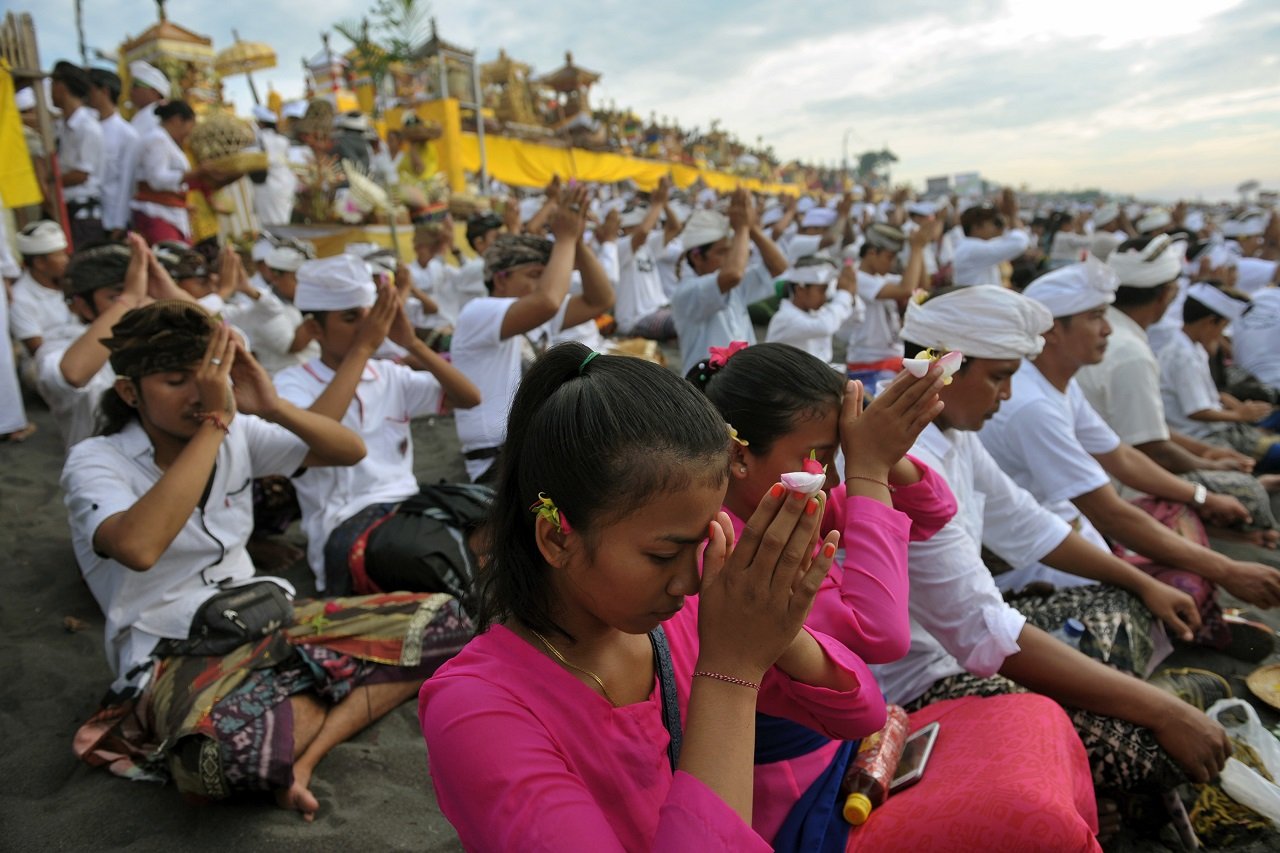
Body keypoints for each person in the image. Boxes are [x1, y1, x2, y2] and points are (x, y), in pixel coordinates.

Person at [421, 342, 897, 850]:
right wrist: (731, 672)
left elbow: (860, 715)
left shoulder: (680, 620)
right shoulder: (476, 710)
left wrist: (779, 630)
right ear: (558, 538)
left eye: (702, 543)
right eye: (662, 555)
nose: (689, 581)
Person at [63, 300, 472, 821]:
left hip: (264, 617)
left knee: (446, 618)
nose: (198, 393)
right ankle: (316, 698)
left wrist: (272, 404)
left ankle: (305, 752)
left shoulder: (239, 433)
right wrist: (214, 422)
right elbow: (140, 548)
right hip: (168, 648)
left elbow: (348, 450)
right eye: (174, 381)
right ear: (129, 392)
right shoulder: (96, 460)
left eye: (208, 376)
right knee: (219, 762)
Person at [698, 342, 1102, 850]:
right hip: (792, 794)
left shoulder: (787, 506)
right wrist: (868, 469)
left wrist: (878, 451)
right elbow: (879, 634)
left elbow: (934, 510)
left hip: (836, 755)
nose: (835, 472)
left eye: (837, 450)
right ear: (738, 456)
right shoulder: (734, 553)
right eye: (820, 455)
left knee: (1035, 729)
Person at [874, 285, 1231, 819]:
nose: (1008, 394)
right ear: (941, 371)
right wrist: (1162, 711)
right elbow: (984, 629)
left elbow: (1026, 522)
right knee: (1153, 753)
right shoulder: (904, 459)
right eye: (998, 377)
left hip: (972, 639)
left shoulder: (953, 433)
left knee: (1132, 606)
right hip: (921, 683)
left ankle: (1110, 750)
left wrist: (1142, 581)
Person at [979, 262, 1280, 649]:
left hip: (1077, 533)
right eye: (1095, 317)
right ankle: (1186, 632)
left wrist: (1201, 497)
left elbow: (1120, 456)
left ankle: (1194, 619)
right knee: (1171, 589)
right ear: (1053, 330)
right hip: (1040, 560)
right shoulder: (1031, 405)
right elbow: (1110, 511)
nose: (1107, 329)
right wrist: (1227, 569)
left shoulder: (1054, 386)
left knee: (1184, 519)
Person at [274, 255, 481, 593]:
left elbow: (469, 397)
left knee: (493, 515)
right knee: (428, 555)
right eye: (351, 318)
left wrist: (412, 342)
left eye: (370, 317)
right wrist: (366, 346)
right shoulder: (293, 383)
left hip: (407, 503)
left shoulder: (387, 374)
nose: (366, 327)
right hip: (347, 522)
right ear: (314, 330)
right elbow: (320, 434)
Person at [1076, 235, 1278, 545]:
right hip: (1118, 490)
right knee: (1247, 495)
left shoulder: (1116, 336)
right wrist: (1208, 469)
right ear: (1166, 294)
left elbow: (1149, 434)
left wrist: (1207, 455)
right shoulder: (1129, 352)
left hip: (1110, 479)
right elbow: (1150, 449)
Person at [451, 185, 613, 483]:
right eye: (535, 276)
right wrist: (564, 238)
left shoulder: (535, 316)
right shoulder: (478, 312)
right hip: (498, 465)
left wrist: (576, 241)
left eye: (545, 275)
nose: (544, 283)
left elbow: (599, 299)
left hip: (533, 449)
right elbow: (548, 300)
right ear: (500, 279)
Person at [1156, 284, 1279, 471]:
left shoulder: (1191, 347)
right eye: (1222, 327)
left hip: (1222, 427)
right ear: (1210, 322)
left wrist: (1235, 406)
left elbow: (1207, 394)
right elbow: (1197, 411)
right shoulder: (1183, 356)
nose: (1221, 335)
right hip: (1204, 436)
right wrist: (1239, 415)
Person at [671, 188, 788, 374]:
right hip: (705, 391)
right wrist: (742, 228)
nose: (729, 258)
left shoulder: (730, 284)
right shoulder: (688, 291)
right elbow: (734, 274)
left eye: (729, 251)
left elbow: (779, 267)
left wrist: (753, 228)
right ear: (697, 257)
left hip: (737, 383)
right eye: (721, 252)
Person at [844, 223, 929, 387]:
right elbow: (906, 289)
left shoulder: (882, 278)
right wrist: (916, 249)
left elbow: (921, 287)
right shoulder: (857, 278)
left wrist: (920, 249)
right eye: (889, 257)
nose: (891, 264)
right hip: (869, 361)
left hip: (889, 358)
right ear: (871, 253)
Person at [130, 100, 207, 245]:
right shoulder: (157, 139)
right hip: (156, 212)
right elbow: (156, 180)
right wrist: (196, 173)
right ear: (177, 120)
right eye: (191, 125)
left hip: (168, 211)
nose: (190, 132)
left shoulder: (165, 140)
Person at [9, 221, 78, 373]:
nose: (66, 260)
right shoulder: (20, 297)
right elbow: (38, 351)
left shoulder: (68, 283)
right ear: (40, 263)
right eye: (59, 255)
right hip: (47, 365)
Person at [50, 61, 106, 249]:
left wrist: (47, 180)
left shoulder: (88, 128)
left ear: (60, 86)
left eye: (52, 84)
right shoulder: (60, 126)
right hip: (65, 208)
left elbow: (80, 175)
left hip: (81, 216)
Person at [613, 176, 677, 340]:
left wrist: (664, 203)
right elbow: (642, 233)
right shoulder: (619, 247)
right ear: (626, 228)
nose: (647, 226)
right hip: (635, 320)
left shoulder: (647, 245)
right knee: (684, 321)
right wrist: (656, 204)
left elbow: (675, 227)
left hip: (657, 310)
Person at [765, 256, 859, 363]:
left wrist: (850, 287)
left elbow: (857, 317)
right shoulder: (785, 318)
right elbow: (825, 326)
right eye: (821, 290)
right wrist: (845, 293)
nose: (824, 296)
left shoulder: (819, 312)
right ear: (800, 290)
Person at [87, 68, 140, 241]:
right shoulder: (87, 128)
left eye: (90, 89)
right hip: (88, 213)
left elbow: (127, 183)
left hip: (111, 219)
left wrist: (119, 223)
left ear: (104, 91)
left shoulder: (127, 134)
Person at [951, 191, 1030, 287]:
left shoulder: (974, 245)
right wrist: (1012, 215)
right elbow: (1019, 243)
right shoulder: (972, 249)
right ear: (977, 227)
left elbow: (1014, 238)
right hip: (977, 301)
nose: (995, 227)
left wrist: (1010, 215)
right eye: (991, 223)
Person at [250, 105, 296, 227]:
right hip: (286, 183)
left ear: (261, 123)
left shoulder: (259, 138)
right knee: (284, 217)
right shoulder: (283, 140)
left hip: (268, 185)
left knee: (270, 222)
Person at [127, 61, 169, 137]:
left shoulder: (157, 115)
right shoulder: (145, 113)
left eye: (136, 86)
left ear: (154, 92)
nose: (131, 90)